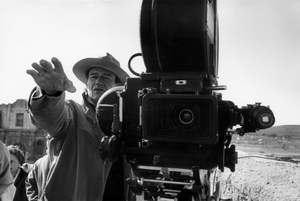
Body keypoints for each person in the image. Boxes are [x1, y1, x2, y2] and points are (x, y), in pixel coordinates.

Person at [26, 53, 129, 201]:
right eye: (94, 76)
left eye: (106, 77)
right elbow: (49, 117)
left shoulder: (128, 120)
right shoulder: (73, 112)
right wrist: (51, 93)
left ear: (117, 85)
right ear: (86, 83)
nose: (99, 81)